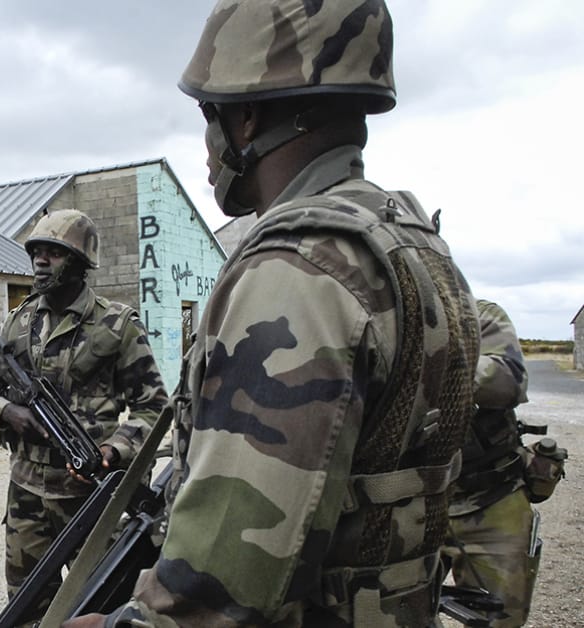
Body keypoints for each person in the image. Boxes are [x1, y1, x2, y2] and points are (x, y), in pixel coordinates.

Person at [66, 1, 480, 626]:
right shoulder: (413, 246)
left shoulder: (297, 269)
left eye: (209, 115)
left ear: (246, 116)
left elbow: (226, 580)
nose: (207, 147)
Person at [0, 209, 169, 624]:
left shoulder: (116, 325)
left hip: (91, 498)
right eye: (36, 252)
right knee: (26, 606)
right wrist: (7, 412)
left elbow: (153, 406)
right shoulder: (17, 323)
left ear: (80, 261)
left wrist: (114, 448)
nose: (40, 261)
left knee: (99, 606)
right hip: (27, 494)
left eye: (53, 253)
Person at [444, 299, 557, 627]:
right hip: (408, 505)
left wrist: (426, 361)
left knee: (500, 618)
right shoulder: (383, 314)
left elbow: (508, 381)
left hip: (491, 496)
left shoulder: (477, 314)